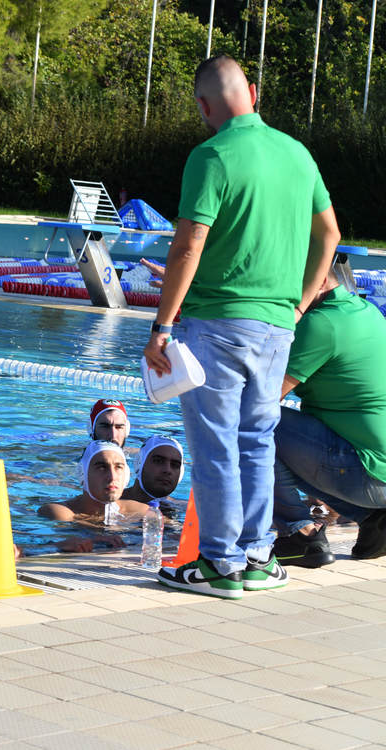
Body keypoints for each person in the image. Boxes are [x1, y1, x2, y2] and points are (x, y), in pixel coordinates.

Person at [146, 55, 340, 599]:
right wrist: (299, 304)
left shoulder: (210, 155)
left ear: (204, 106)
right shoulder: (297, 154)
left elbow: (188, 245)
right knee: (257, 441)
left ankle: (219, 564)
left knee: (214, 445)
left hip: (217, 324)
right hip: (278, 326)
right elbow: (329, 235)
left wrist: (161, 327)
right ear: (253, 92)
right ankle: (258, 557)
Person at [271, 250, 386, 568]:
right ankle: (374, 518)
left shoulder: (322, 324)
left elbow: (263, 398)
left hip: (366, 472)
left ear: (319, 282)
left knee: (248, 421)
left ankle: (300, 534)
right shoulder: (366, 311)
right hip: (379, 471)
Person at [120, 436, 185, 504]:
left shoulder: (184, 508)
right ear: (139, 463)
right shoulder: (111, 503)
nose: (167, 470)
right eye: (158, 461)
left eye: (175, 465)